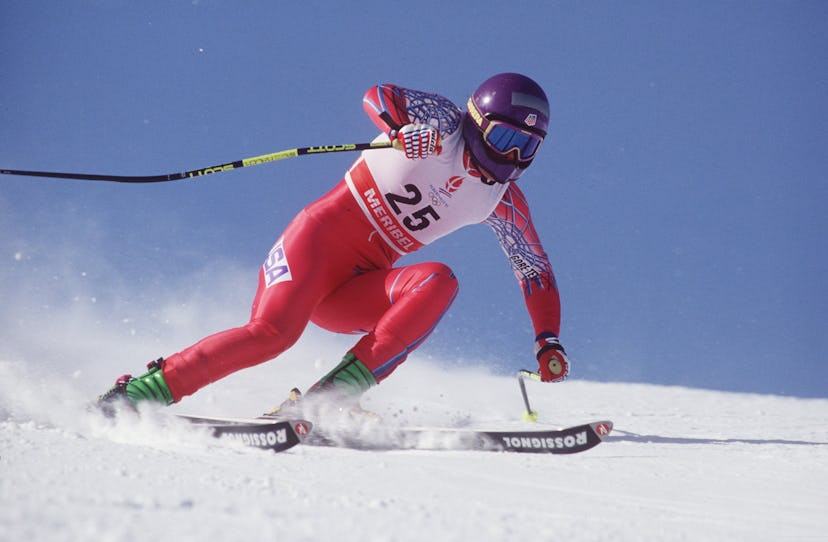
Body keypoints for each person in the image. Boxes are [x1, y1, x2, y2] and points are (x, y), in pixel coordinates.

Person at [97, 72, 571, 416]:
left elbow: (533, 269)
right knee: (271, 335)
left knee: (439, 281)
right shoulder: (444, 123)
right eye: (506, 136)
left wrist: (547, 338)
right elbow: (379, 94)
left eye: (527, 146)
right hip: (316, 245)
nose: (511, 155)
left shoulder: (503, 201)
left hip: (358, 285)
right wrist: (400, 130)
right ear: (476, 122)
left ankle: (330, 398)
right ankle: (139, 392)